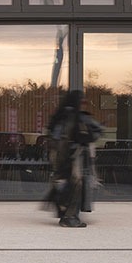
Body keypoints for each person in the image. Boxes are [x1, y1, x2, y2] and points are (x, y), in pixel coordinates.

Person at [45, 89, 102, 227]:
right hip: (73, 157)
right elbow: (92, 132)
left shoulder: (63, 115)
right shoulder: (74, 116)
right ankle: (70, 217)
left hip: (65, 157)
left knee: (66, 185)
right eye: (82, 101)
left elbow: (55, 137)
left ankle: (66, 214)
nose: (85, 104)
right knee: (75, 186)